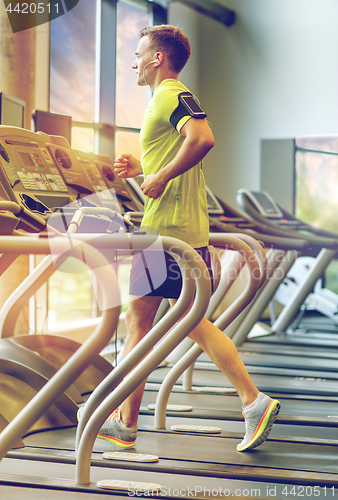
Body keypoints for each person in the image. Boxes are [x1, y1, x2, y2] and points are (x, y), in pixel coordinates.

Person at [80, 25, 280, 452]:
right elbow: (179, 149)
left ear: (157, 58)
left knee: (147, 322)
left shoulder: (169, 93)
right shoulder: (167, 99)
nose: (133, 62)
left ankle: (250, 400)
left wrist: (160, 177)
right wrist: (143, 168)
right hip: (184, 230)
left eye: (138, 54)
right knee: (178, 321)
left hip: (165, 233)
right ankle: (129, 421)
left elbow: (203, 138)